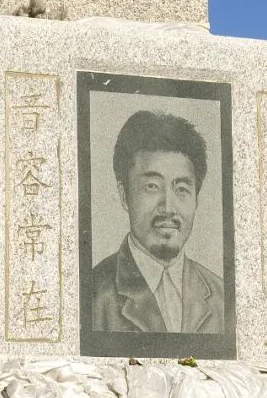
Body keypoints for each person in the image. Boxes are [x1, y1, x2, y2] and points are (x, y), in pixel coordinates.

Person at [91, 110, 224, 333]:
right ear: (124, 195)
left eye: (181, 189)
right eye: (152, 186)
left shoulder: (222, 296)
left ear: (196, 199)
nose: (168, 208)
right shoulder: (92, 295)